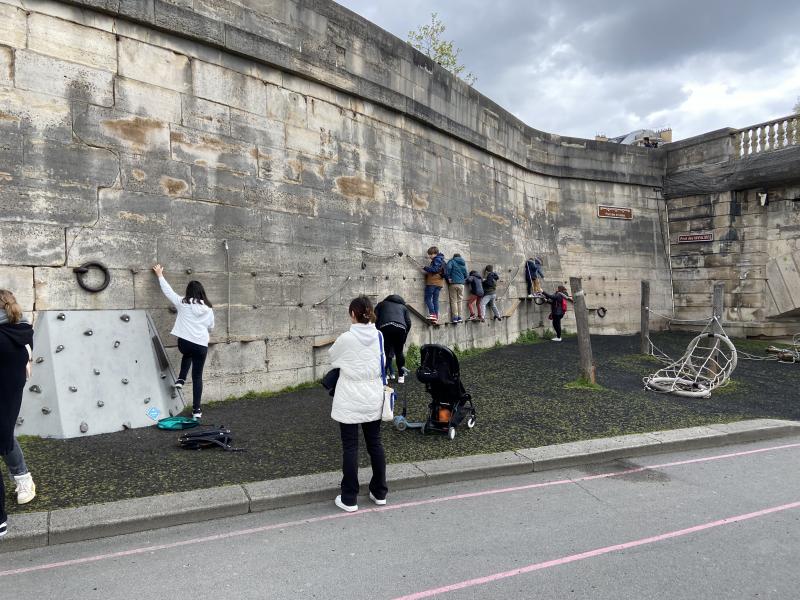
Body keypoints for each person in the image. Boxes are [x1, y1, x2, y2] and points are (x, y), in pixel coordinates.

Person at [329, 296, 388, 512]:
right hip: (373, 395)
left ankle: (349, 497)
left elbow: (332, 358)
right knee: (375, 444)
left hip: (350, 398)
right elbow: (383, 363)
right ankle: (380, 491)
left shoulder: (346, 338)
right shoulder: (379, 336)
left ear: (353, 314)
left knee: (351, 447)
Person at [153, 264, 215, 420]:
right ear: (202, 293)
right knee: (197, 377)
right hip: (201, 346)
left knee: (187, 354)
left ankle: (181, 379)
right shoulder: (208, 308)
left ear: (188, 292)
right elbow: (211, 328)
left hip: (184, 344)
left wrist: (160, 274)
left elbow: (168, 291)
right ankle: (196, 410)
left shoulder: (182, 302)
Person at [0, 289, 35, 538]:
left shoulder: (10, 333)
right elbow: (27, 358)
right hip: (11, 390)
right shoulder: (21, 327)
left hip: (6, 390)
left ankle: (23, 478)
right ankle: (23, 478)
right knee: (5, 434)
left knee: (4, 435)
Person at [375, 294, 412, 384]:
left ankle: (384, 376)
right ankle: (401, 376)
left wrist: (376, 331)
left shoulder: (381, 304)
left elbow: (374, 318)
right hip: (401, 329)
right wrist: (405, 335)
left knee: (385, 352)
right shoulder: (403, 307)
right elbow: (408, 322)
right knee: (399, 353)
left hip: (385, 327)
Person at [421, 246, 445, 323]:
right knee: (435, 300)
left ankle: (432, 314)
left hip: (432, 282)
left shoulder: (437, 259)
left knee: (427, 298)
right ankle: (435, 318)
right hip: (439, 283)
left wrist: (425, 268)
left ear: (435, 253)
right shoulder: (442, 260)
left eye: (430, 255)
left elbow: (434, 270)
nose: (430, 256)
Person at [445, 253, 468, 323]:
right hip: (461, 285)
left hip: (453, 283)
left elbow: (447, 269)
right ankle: (460, 317)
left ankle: (455, 318)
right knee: (460, 301)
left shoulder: (451, 261)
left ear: (454, 256)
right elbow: (466, 275)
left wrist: (448, 278)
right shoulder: (463, 264)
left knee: (454, 301)